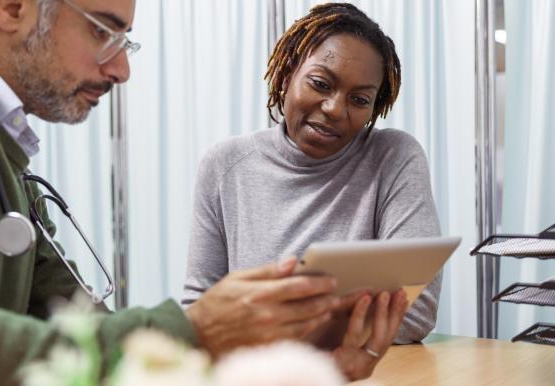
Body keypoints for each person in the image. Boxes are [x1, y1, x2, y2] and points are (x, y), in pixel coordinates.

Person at [0, 1, 380, 385]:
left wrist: (288, 368)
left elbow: (81, 333)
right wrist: (197, 331)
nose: (121, 69)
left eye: (124, 41)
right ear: (10, 6)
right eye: (103, 32)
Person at [182, 3, 442, 379]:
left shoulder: (394, 157)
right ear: (287, 74)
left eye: (360, 99)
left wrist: (259, 325)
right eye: (321, 83)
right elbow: (199, 315)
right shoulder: (224, 166)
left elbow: (414, 312)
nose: (335, 109)